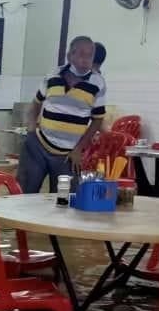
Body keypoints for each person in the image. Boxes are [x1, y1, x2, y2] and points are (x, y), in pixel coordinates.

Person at [18, 36, 107, 193]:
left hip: (69, 154)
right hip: (38, 146)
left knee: (64, 202)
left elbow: (97, 120)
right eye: (81, 54)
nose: (85, 60)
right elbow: (35, 104)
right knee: (24, 195)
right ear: (70, 55)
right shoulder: (53, 75)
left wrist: (79, 149)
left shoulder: (97, 83)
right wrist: (31, 131)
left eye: (89, 55)